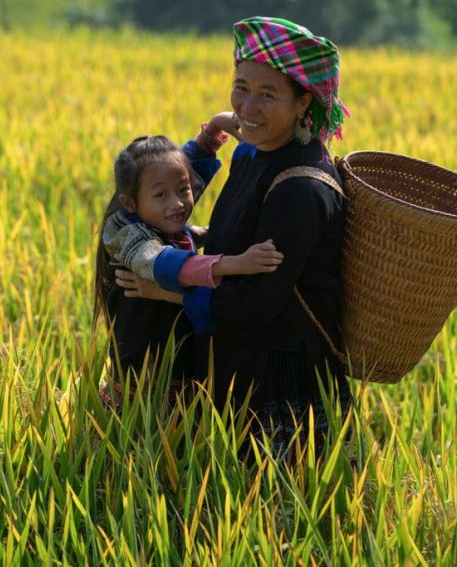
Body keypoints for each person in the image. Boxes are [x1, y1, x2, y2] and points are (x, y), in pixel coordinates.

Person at [115, 16, 353, 458]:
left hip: (282, 389)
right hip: (235, 370)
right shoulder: (250, 154)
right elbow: (229, 236)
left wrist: (166, 292)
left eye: (268, 95)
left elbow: (255, 303)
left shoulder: (303, 188)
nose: (247, 108)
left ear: (304, 103)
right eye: (241, 87)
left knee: (271, 514)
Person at [94, 119, 284, 410]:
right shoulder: (127, 238)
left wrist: (212, 133)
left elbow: (179, 170)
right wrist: (237, 263)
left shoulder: (158, 217)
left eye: (183, 190)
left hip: (177, 375)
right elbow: (167, 264)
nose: (178, 203)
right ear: (129, 202)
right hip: (141, 389)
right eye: (161, 195)